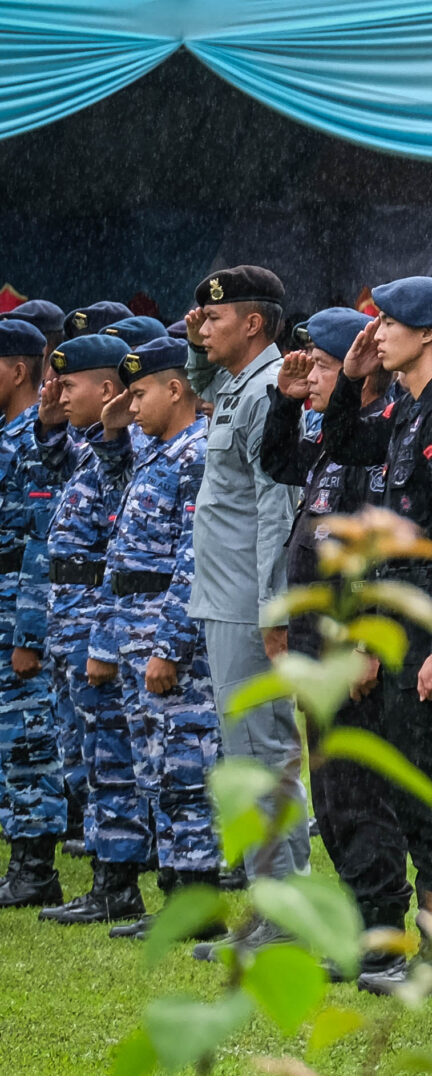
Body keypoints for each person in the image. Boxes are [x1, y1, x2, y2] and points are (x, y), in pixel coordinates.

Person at [324, 278, 432, 926]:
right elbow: (341, 446)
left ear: (428, 334)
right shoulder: (407, 408)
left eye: (390, 322)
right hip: (402, 614)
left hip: (430, 619)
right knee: (413, 784)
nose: (377, 331)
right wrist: (349, 381)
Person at [264, 308, 411, 985]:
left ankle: (380, 932)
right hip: (313, 644)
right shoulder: (333, 440)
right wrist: (285, 403)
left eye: (321, 365)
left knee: (359, 793)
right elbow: (276, 459)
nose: (311, 375)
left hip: (350, 647)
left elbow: (375, 552)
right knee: (332, 793)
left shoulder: (378, 439)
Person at [95, 338, 223, 930]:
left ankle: (196, 904)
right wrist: (116, 430)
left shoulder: (195, 454)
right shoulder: (155, 451)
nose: (131, 402)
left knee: (185, 768)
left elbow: (194, 555)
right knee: (157, 767)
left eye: (141, 392)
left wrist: (170, 644)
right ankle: (176, 893)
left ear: (177, 390)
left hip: (167, 633)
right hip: (134, 624)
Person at [181, 268, 301, 882]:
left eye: (216, 318)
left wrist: (274, 611)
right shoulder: (237, 383)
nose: (202, 328)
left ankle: (284, 916)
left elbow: (277, 509)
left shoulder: (266, 391)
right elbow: (196, 369)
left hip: (248, 608)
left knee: (263, 756)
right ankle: (268, 906)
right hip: (224, 598)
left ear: (253, 324)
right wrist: (195, 331)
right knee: (244, 756)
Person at [36, 336, 144, 924]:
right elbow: (58, 480)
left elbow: (118, 546)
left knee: (109, 757)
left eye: (69, 384)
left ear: (107, 391)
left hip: (96, 619)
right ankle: (108, 874)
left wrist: (102, 638)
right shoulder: (87, 445)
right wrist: (53, 428)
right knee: (83, 753)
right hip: (68, 616)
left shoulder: (124, 453)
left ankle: (118, 882)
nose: (56, 392)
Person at [0, 317, 67, 907]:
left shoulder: (37, 441)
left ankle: (35, 865)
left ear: (19, 369)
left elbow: (41, 544)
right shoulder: (8, 433)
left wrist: (29, 633)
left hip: (18, 604)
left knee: (28, 738)